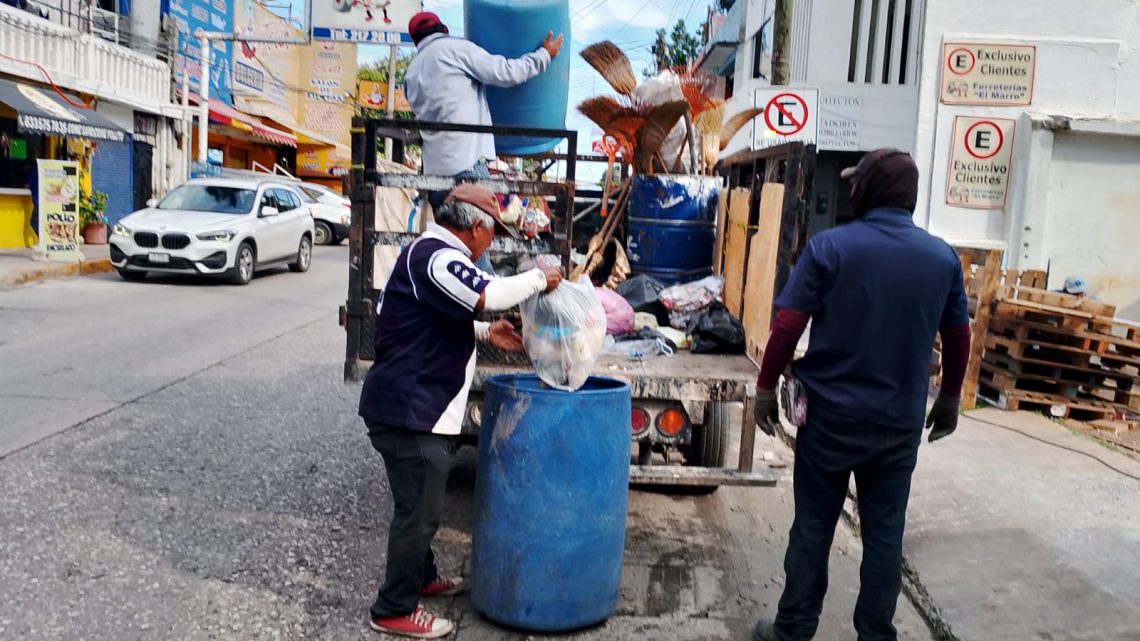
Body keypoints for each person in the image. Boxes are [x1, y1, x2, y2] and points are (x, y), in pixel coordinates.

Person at [751, 149, 972, 641]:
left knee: (812, 527)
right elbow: (958, 337)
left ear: (869, 191)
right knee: (885, 535)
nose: (850, 189)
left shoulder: (831, 247)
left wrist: (765, 388)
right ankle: (875, 635)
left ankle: (793, 630)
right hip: (898, 425)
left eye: (856, 182)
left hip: (830, 420)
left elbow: (788, 324)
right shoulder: (941, 259)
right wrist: (951, 398)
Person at [358, 184, 561, 639]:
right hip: (410, 411)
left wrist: (487, 335)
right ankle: (392, 609)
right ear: (476, 227)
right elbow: (487, 293)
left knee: (419, 502)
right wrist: (538, 279)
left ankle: (422, 577)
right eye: (493, 235)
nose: (491, 244)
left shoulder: (432, 257)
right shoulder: (438, 256)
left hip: (415, 407)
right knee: (420, 513)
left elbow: (435, 316)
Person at [403, 12, 564, 271]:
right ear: (443, 29)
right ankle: (483, 307)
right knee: (477, 250)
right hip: (467, 168)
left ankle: (455, 303)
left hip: (434, 175)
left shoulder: (411, 72)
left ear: (415, 40)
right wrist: (544, 55)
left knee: (450, 250)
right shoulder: (455, 49)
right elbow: (505, 72)